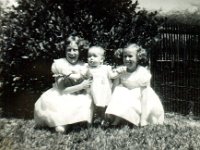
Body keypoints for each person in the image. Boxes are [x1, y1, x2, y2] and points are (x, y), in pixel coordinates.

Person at [34, 36, 93, 133]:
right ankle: (63, 123)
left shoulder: (84, 66)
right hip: (62, 95)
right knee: (60, 128)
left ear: (80, 51)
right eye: (69, 50)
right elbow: (62, 90)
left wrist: (85, 86)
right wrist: (81, 86)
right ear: (64, 51)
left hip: (78, 96)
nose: (72, 53)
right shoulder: (60, 64)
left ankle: (75, 122)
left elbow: (88, 86)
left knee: (85, 100)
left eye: (75, 50)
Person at [105, 43, 164, 126]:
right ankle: (117, 120)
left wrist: (144, 119)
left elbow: (145, 97)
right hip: (127, 100)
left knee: (133, 93)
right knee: (119, 89)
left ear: (138, 58)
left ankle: (140, 118)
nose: (127, 59)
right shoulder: (121, 70)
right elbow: (114, 91)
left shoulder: (142, 72)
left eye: (130, 56)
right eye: (124, 56)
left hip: (141, 100)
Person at [86, 46, 126, 124]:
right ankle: (91, 119)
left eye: (94, 56)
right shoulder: (87, 68)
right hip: (92, 91)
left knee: (104, 106)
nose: (91, 58)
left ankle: (105, 118)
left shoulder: (105, 68)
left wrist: (119, 72)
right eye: (89, 56)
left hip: (103, 91)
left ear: (101, 59)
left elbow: (112, 76)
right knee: (92, 106)